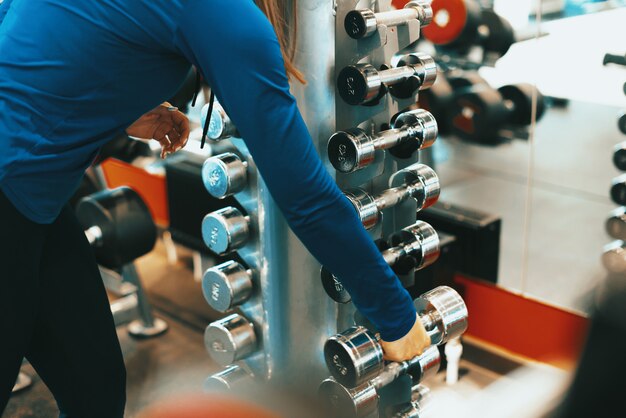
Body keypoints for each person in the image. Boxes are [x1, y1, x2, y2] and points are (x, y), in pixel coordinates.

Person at [0, 0, 430, 416]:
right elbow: (305, 196)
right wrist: (393, 312)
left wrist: (120, 104)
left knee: (94, 391)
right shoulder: (222, 14)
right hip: (12, 197)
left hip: (36, 204)